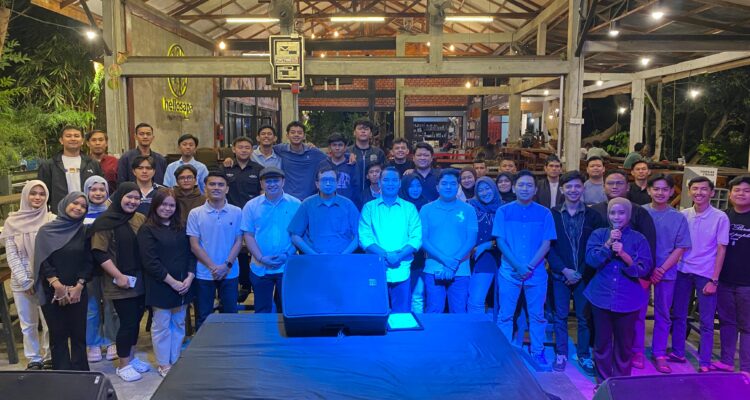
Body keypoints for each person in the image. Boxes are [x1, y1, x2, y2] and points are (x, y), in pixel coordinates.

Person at [493, 170, 556, 368]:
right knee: (505, 315)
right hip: (509, 272)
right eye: (521, 185)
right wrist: (518, 266)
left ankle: (537, 351)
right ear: (514, 188)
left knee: (537, 315)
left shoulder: (545, 213)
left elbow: (547, 243)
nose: (525, 188)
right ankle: (503, 353)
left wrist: (529, 266)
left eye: (529, 185)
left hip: (535, 273)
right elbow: (500, 241)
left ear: (536, 189)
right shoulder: (503, 211)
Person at [585, 197, 653, 381]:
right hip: (601, 296)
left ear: (628, 214)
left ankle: (621, 383)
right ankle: (603, 382)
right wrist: (608, 244)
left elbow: (644, 269)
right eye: (612, 213)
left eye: (621, 213)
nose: (617, 216)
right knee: (602, 343)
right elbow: (591, 260)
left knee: (624, 345)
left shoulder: (639, 239)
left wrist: (623, 254)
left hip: (628, 298)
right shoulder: (599, 234)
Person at [547, 171, 607, 375]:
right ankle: (561, 353)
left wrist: (579, 272)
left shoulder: (594, 216)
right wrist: (564, 270)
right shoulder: (552, 214)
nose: (573, 190)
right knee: (560, 316)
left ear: (583, 188)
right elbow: (548, 246)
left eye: (577, 186)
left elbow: (596, 246)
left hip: (585, 276)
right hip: (559, 275)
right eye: (569, 187)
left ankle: (583, 355)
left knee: (584, 318)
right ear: (562, 189)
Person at [89, 183, 149, 382]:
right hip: (119, 282)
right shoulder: (105, 221)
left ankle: (131, 358)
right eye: (129, 197)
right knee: (127, 322)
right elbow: (99, 252)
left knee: (135, 322)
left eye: (136, 198)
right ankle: (123, 365)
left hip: (139, 280)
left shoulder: (140, 218)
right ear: (119, 197)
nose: (132, 201)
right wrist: (119, 276)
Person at [671, 176, 729, 372]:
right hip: (682, 270)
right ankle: (678, 352)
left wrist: (714, 279)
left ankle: (704, 361)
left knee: (706, 321)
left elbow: (721, 249)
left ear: (712, 192)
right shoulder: (683, 214)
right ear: (689, 192)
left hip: (706, 274)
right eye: (695, 188)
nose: (699, 192)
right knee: (679, 314)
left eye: (704, 189)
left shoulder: (720, 217)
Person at [137, 188, 196, 377]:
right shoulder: (147, 229)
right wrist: (172, 282)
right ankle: (164, 364)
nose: (167, 208)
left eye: (171, 205)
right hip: (161, 285)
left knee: (179, 324)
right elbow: (150, 262)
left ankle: (175, 359)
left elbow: (191, 253)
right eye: (163, 204)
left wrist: (189, 277)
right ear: (155, 205)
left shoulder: (182, 226)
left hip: (184, 284)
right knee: (162, 326)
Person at [34, 192, 92, 371]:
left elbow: (89, 261)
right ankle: (62, 374)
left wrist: (79, 285)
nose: (79, 208)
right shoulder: (46, 231)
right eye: (75, 203)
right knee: (58, 336)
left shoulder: (85, 231)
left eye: (83, 206)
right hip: (52, 291)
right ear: (65, 203)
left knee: (78, 335)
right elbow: (43, 260)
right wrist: (57, 285)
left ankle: (81, 374)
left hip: (78, 290)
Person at [1, 181, 55, 370]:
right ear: (25, 195)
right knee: (28, 323)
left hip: (47, 281)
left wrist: (47, 278)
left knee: (49, 321)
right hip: (21, 282)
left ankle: (49, 355)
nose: (37, 197)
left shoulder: (51, 220)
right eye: (33, 193)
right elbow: (12, 255)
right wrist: (25, 281)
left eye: (42, 193)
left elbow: (54, 252)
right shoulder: (12, 222)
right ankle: (34, 358)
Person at [642, 174, 691, 374]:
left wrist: (661, 269)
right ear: (649, 190)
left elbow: (681, 247)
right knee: (638, 313)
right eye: (656, 188)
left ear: (671, 192)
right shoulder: (640, 212)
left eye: (665, 189)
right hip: (642, 270)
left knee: (663, 314)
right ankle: (636, 351)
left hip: (667, 272)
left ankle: (659, 353)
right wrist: (647, 268)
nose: (660, 193)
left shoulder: (678, 217)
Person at [359, 167, 422, 313]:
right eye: (386, 180)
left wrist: (398, 256)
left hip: (402, 268)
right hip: (376, 268)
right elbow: (364, 238)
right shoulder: (369, 208)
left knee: (401, 315)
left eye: (394, 180)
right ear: (379, 182)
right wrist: (387, 255)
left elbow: (416, 238)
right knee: (376, 313)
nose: (390, 183)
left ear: (400, 183)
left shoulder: (410, 208)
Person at [187, 171, 243, 326]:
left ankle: (229, 342)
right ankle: (204, 342)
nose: (216, 187)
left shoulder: (237, 212)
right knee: (203, 316)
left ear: (227, 189)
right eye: (212, 184)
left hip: (230, 272)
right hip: (204, 273)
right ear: (205, 188)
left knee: (230, 315)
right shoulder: (195, 213)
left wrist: (226, 265)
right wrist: (213, 267)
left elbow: (239, 241)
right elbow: (194, 245)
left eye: (221, 184)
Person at [242, 167, 301, 313]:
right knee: (262, 311)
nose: (272, 184)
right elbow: (248, 235)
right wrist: (261, 258)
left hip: (287, 265)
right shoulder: (251, 206)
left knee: (286, 310)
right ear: (261, 184)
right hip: (260, 267)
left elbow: (299, 234)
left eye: (276, 180)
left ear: (283, 182)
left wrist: (286, 255)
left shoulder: (295, 204)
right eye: (268, 181)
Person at [421, 169, 478, 313]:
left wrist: (455, 261)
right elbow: (423, 240)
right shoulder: (426, 209)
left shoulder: (469, 209)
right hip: (434, 268)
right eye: (444, 183)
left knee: (459, 312)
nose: (448, 187)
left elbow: (471, 240)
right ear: (437, 187)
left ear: (458, 187)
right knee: (434, 310)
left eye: (452, 184)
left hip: (461, 269)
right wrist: (447, 261)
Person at [81, 176, 119, 363]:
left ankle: (112, 340)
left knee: (112, 306)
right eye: (93, 189)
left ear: (107, 192)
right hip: (89, 269)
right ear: (86, 191)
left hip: (110, 267)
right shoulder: (80, 214)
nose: (98, 193)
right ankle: (93, 343)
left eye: (101, 190)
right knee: (92, 307)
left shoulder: (113, 214)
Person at [715, 175, 750, 373]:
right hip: (724, 280)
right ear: (730, 194)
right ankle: (726, 361)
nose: (741, 194)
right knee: (727, 322)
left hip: (747, 283)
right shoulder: (723, 217)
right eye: (737, 190)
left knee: (747, 326)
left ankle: (746, 368)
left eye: (747, 190)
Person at [289, 166, 359, 255]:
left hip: (343, 258)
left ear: (337, 183)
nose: (328, 183)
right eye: (324, 180)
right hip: (314, 258)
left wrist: (343, 255)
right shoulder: (307, 204)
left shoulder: (348, 204)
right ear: (317, 184)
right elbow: (295, 236)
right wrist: (314, 255)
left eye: (332, 180)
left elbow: (359, 235)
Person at [591, 169, 656, 263]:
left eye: (619, 183)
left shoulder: (640, 212)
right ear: (603, 187)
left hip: (630, 267)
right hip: (598, 266)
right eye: (610, 183)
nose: (614, 187)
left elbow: (649, 245)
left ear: (628, 187)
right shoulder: (594, 211)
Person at [38, 125, 103, 209]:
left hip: (88, 211)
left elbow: (101, 188)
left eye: (76, 136)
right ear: (61, 140)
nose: (73, 139)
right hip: (59, 212)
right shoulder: (49, 165)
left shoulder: (93, 163)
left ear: (82, 141)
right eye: (68, 136)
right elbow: (42, 193)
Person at [467, 176, 503, 314]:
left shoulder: (503, 208)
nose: (484, 193)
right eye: (480, 190)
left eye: (487, 188)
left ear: (494, 188)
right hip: (468, 257)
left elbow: (509, 236)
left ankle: (477, 326)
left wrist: (488, 245)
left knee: (477, 301)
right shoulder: (470, 206)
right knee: (472, 299)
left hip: (491, 256)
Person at [273, 121, 327, 200]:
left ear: (304, 136)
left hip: (310, 199)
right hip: (287, 199)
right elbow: (264, 148)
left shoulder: (313, 152)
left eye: (299, 133)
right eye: (292, 132)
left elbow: (332, 158)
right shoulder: (281, 149)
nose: (296, 135)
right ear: (287, 135)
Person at [399, 174, 428, 313]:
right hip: (400, 257)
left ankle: (418, 322)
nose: (415, 189)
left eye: (418, 186)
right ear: (405, 187)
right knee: (401, 296)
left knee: (418, 296)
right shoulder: (399, 206)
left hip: (420, 258)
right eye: (411, 186)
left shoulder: (427, 205)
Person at [223, 136, 264, 208]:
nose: (244, 150)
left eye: (247, 148)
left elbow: (263, 192)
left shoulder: (259, 169)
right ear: (233, 149)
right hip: (229, 210)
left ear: (252, 150)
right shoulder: (225, 168)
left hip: (252, 210)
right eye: (240, 147)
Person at [318, 132, 359, 204]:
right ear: (329, 147)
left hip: (346, 205)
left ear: (345, 147)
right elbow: (318, 186)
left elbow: (357, 188)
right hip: (326, 205)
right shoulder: (323, 164)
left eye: (340, 145)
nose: (337, 148)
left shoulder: (352, 164)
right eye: (334, 145)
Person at [349, 119, 386, 195]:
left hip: (374, 195)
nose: (363, 131)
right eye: (360, 129)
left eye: (366, 129)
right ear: (354, 133)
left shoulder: (378, 153)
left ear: (371, 134)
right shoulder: (347, 152)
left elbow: (385, 173)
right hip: (351, 194)